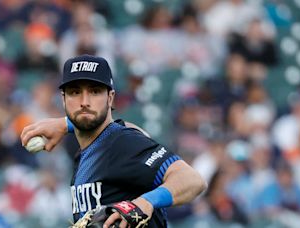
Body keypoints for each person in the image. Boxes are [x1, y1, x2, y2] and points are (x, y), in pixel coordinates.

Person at [20, 55, 207, 227]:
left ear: (110, 98)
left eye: (94, 91)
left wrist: (147, 201)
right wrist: (67, 124)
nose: (84, 101)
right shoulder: (90, 150)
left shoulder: (120, 142)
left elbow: (192, 180)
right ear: (63, 99)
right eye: (75, 92)